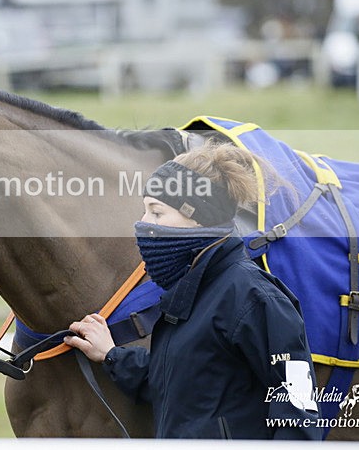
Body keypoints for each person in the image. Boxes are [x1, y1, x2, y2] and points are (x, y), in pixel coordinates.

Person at [64, 142, 322, 439]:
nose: (144, 223)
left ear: (197, 217)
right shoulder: (189, 292)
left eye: (157, 213)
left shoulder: (255, 297)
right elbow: (176, 381)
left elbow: (299, 411)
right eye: (145, 210)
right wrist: (110, 355)